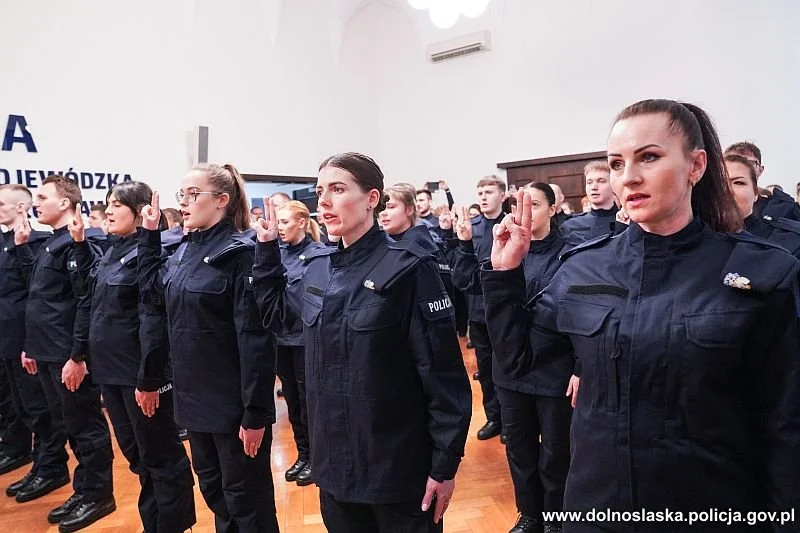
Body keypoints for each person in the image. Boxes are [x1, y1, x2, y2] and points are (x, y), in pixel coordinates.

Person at [483, 99, 800, 532]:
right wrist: (504, 274)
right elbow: (520, 363)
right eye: (616, 163)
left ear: (696, 165)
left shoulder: (759, 271)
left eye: (648, 157)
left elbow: (783, 421)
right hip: (598, 508)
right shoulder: (583, 268)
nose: (628, 177)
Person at [252, 152, 471, 533]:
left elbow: (443, 376)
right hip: (335, 468)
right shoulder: (317, 268)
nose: (324, 201)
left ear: (372, 199)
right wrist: (267, 251)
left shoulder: (408, 269)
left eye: (338, 189)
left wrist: (444, 464)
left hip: (397, 469)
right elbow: (277, 317)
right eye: (321, 191)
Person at [138, 163, 279, 533]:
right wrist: (149, 235)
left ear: (221, 200)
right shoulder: (186, 250)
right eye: (181, 195)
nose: (184, 202)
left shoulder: (242, 253)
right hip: (194, 401)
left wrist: (256, 414)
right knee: (216, 493)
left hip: (232, 406)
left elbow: (256, 339)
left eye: (192, 194)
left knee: (247, 501)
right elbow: (152, 292)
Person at [70, 180, 196, 533]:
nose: (107, 210)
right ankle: (153, 523)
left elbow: (152, 319)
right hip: (111, 374)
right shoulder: (112, 250)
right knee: (139, 459)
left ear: (140, 212)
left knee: (162, 457)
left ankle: (174, 524)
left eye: (116, 204)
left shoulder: (150, 253)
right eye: (108, 203)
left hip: (140, 375)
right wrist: (80, 246)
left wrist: (150, 378)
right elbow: (87, 296)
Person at [16, 175, 116, 532]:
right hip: (46, 350)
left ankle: (99, 494)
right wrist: (31, 346)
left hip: (66, 354)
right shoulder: (49, 244)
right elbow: (40, 298)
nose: (34, 203)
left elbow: (84, 303)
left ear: (66, 204)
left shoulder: (81, 244)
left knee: (85, 426)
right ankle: (83, 488)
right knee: (68, 426)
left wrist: (78, 356)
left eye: (42, 197)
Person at [486, 183, 572, 533]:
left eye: (535, 204)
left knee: (555, 451)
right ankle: (530, 513)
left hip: (554, 366)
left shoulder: (572, 252)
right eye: (520, 205)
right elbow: (489, 305)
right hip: (510, 367)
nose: (526, 212)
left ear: (553, 209)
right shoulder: (503, 248)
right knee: (519, 449)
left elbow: (578, 315)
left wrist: (581, 366)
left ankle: (554, 517)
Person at [0, 185, 54, 491]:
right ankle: (25, 454)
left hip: (26, 338)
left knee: (38, 408)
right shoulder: (5, 241)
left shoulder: (35, 243)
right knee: (17, 405)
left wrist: (29, 343)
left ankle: (50, 466)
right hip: (6, 338)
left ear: (21, 208)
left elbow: (34, 293)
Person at [272, 200, 325, 487]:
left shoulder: (318, 254)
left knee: (308, 402)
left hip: (305, 340)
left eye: (285, 222)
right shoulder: (275, 254)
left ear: (302, 222)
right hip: (282, 339)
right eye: (278, 223)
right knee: (292, 401)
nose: (280, 228)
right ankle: (303, 454)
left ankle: (317, 459)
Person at [452, 175, 507, 441]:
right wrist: (463, 243)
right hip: (479, 312)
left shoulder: (511, 225)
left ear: (502, 195)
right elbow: (462, 278)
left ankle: (511, 419)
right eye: (480, 191)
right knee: (485, 369)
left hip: (507, 312)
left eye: (489, 191)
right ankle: (494, 417)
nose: (483, 196)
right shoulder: (471, 228)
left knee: (507, 367)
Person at [380, 183, 455, 299]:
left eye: (390, 207)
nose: (383, 213)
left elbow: (443, 293)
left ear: (409, 210)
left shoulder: (426, 246)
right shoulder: (379, 245)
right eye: (382, 207)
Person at [726, 154, 800, 259]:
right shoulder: (697, 238)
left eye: (738, 182)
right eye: (719, 183)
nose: (727, 190)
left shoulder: (791, 243)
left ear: (756, 193)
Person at [725, 141, 800, 222]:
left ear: (761, 169)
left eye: (749, 163)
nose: (741, 167)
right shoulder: (711, 202)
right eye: (732, 161)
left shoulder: (785, 208)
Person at [559, 162, 618, 245]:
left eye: (601, 181)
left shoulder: (628, 223)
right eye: (589, 182)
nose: (594, 187)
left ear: (614, 185)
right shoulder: (570, 225)